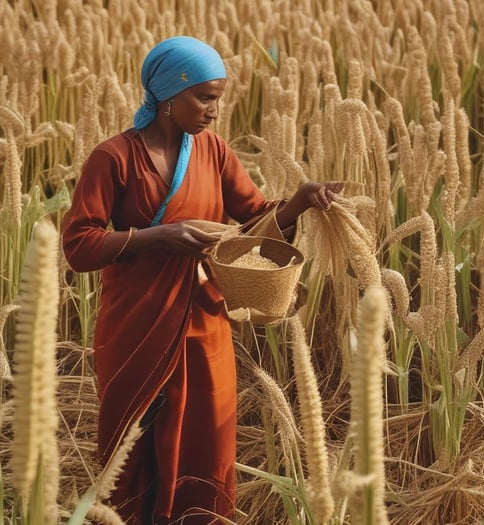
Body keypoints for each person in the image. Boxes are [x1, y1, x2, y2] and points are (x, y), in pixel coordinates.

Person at [61, 36, 343, 524]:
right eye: (205, 97)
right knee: (133, 444)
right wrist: (158, 236)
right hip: (135, 325)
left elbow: (253, 222)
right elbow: (78, 245)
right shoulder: (114, 158)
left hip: (204, 322)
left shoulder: (212, 150)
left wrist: (299, 200)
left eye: (219, 97)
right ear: (170, 93)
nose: (215, 110)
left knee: (206, 439)